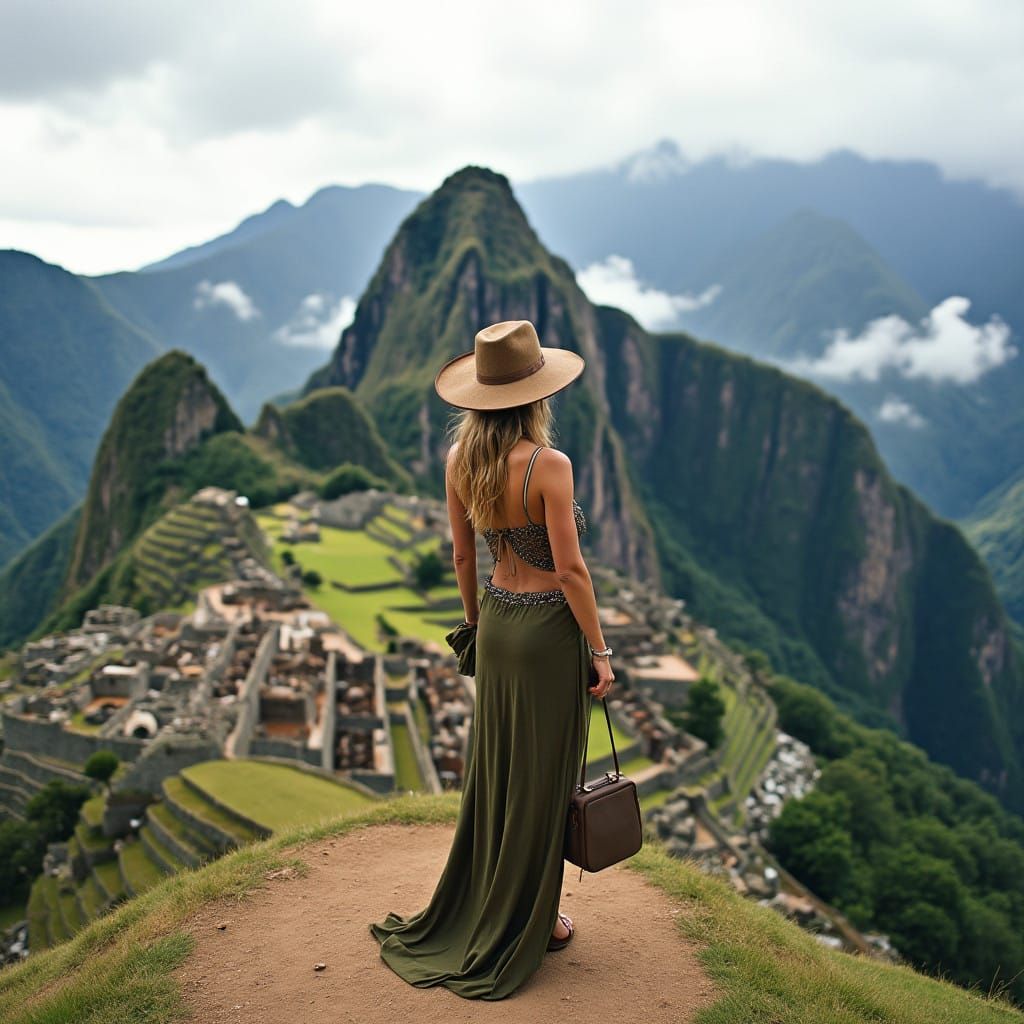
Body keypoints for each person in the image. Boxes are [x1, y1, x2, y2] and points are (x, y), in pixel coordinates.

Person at [368, 319, 616, 1000]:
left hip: (500, 624)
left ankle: (489, 903)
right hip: (547, 635)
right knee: (545, 773)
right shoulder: (548, 466)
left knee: (501, 767)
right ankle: (535, 919)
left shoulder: (460, 463)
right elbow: (571, 570)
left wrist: (477, 627)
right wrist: (600, 650)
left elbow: (462, 554)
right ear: (537, 393)